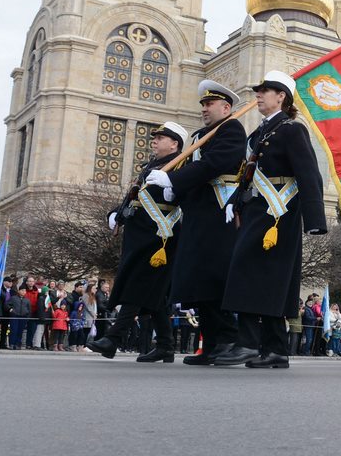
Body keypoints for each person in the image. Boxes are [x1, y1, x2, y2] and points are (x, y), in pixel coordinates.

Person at [215, 70, 328, 369]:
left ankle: (248, 342)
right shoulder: (261, 132)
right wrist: (234, 201)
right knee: (265, 279)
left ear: (281, 97)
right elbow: (249, 173)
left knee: (258, 274)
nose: (258, 95)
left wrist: (315, 218)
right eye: (258, 91)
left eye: (265, 91)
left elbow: (308, 173)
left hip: (278, 215)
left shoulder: (292, 129)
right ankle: (275, 349)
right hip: (257, 210)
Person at [144, 80, 246, 365]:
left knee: (214, 278)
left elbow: (213, 165)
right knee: (199, 282)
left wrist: (173, 179)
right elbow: (193, 168)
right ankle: (211, 344)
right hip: (199, 215)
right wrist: (175, 191)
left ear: (225, 107)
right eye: (202, 104)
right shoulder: (201, 135)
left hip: (218, 213)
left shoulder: (231, 129)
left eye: (209, 104)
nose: (204, 108)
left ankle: (227, 339)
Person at [88, 122, 188, 363]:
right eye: (155, 137)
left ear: (174, 144)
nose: (155, 141)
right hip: (140, 235)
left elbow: (188, 195)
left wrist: (175, 187)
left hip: (159, 238)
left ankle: (113, 338)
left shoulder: (181, 167)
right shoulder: (150, 167)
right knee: (155, 295)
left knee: (137, 284)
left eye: (161, 138)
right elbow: (134, 197)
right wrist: (116, 213)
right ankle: (165, 345)